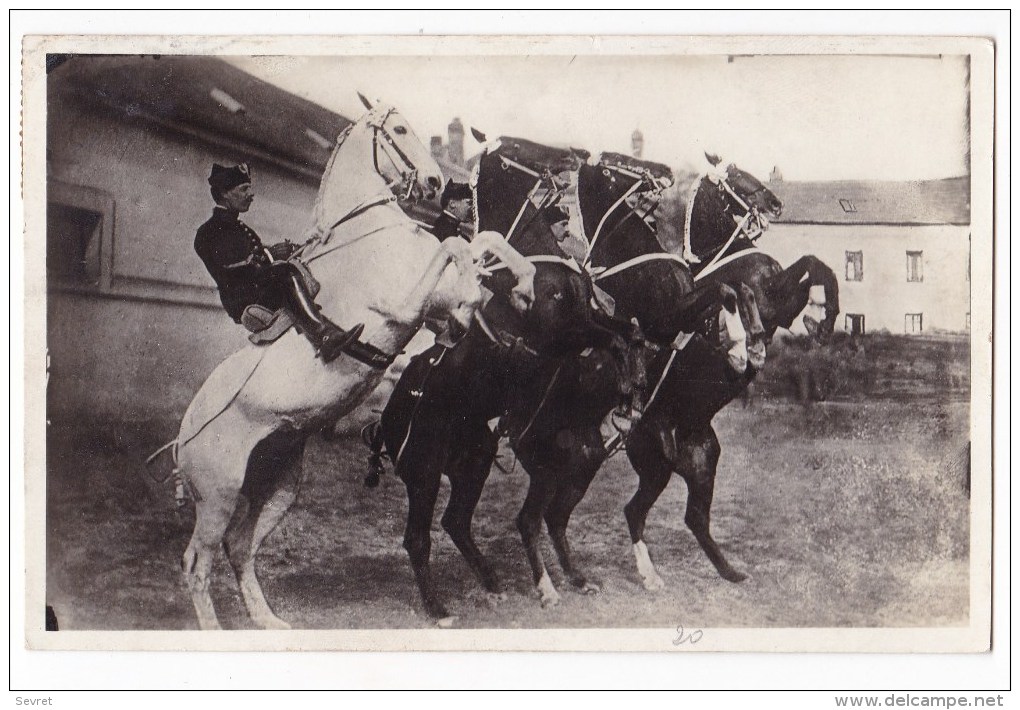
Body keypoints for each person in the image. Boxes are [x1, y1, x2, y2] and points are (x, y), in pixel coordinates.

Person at [194, 162, 364, 363]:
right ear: (224, 193)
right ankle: (324, 336)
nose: (251, 193)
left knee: (300, 266)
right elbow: (234, 264)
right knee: (284, 271)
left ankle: (334, 335)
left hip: (258, 287)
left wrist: (294, 249)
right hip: (244, 297)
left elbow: (257, 260)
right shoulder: (209, 231)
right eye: (244, 189)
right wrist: (271, 254)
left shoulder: (238, 226)